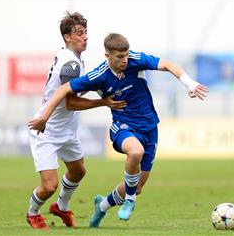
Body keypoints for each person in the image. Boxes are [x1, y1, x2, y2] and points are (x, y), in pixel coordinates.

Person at [28, 33, 208, 227]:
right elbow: (63, 90)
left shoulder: (135, 60)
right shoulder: (99, 76)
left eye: (126, 55)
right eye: (120, 57)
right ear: (108, 56)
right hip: (123, 126)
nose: (125, 60)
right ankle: (130, 201)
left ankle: (102, 206)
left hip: (149, 126)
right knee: (135, 151)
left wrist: (190, 83)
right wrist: (44, 117)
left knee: (137, 186)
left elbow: (167, 64)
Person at [26, 14, 126, 229]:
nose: (85, 37)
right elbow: (71, 103)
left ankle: (61, 207)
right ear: (67, 37)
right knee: (49, 186)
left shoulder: (72, 57)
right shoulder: (70, 63)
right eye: (79, 33)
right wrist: (103, 102)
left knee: (79, 171)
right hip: (47, 131)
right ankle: (32, 213)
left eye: (86, 32)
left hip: (67, 131)